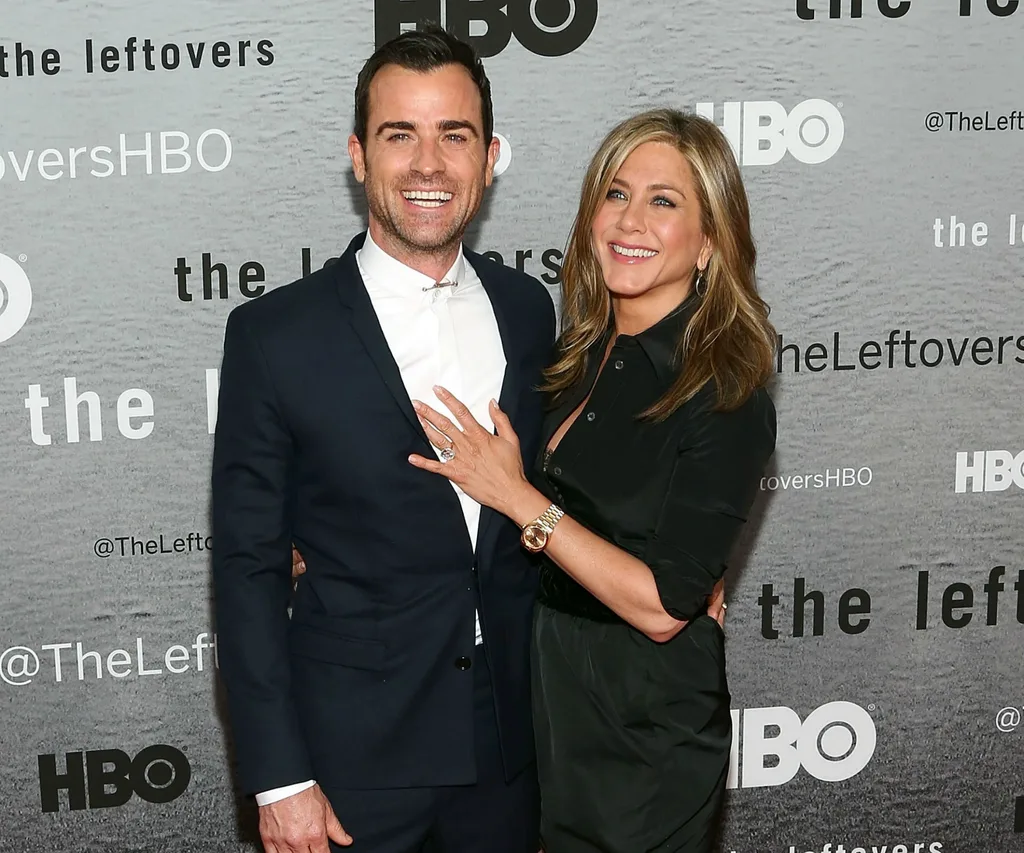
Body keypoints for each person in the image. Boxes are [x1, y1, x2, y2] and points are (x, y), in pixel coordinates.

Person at [211, 26, 557, 853]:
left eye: (455, 136)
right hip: (347, 760)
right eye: (400, 135)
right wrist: (280, 778)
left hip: (508, 748)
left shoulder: (527, 309)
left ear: (489, 157)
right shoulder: (273, 335)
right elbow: (249, 569)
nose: (428, 164)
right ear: (359, 156)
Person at [404, 109, 777, 852]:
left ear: (710, 241)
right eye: (616, 193)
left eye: (663, 201)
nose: (630, 220)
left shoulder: (724, 393)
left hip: (642, 725)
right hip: (549, 697)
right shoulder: (576, 355)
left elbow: (665, 607)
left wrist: (519, 499)